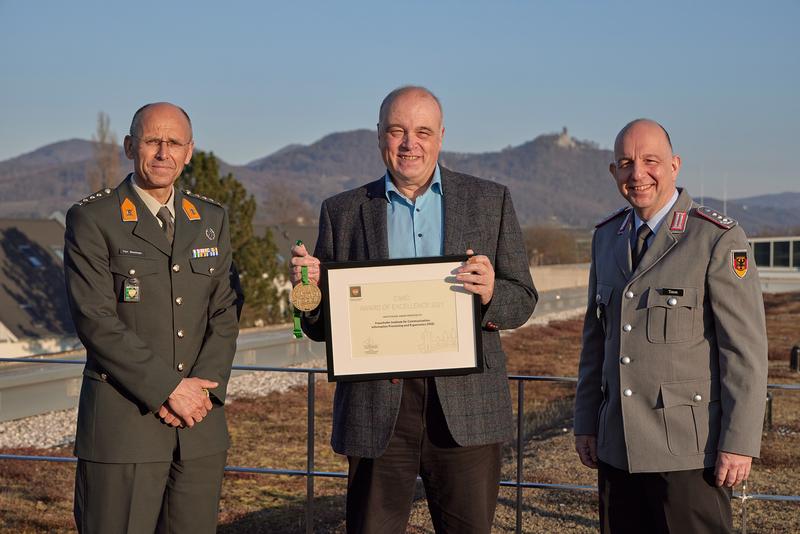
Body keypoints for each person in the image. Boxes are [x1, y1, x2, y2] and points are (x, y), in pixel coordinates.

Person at [290, 86, 536, 533]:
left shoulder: (489, 200)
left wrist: (489, 294)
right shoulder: (342, 212)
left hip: (466, 408)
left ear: (441, 135)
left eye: (422, 131)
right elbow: (323, 329)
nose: (410, 144)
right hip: (376, 409)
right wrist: (312, 294)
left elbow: (522, 299)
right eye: (398, 131)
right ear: (379, 135)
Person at [573, 119, 768, 533]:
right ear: (613, 172)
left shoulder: (715, 239)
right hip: (617, 447)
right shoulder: (607, 237)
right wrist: (586, 422)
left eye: (650, 161)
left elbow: (744, 352)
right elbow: (597, 340)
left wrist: (739, 441)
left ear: (675, 165)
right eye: (625, 163)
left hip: (689, 452)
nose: (637, 173)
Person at [64, 102, 240, 533]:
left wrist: (199, 395)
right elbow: (96, 320)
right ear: (129, 146)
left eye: (174, 142)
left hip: (199, 429)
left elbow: (226, 310)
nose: (164, 152)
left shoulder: (210, 219)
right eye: (153, 141)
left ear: (190, 151)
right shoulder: (93, 218)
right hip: (125, 431)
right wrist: (169, 389)